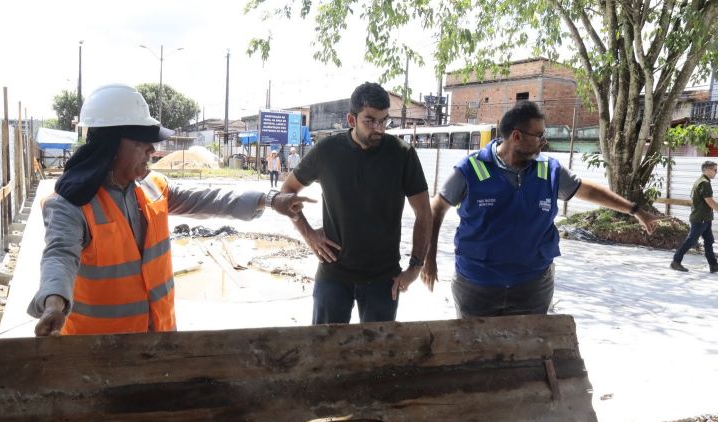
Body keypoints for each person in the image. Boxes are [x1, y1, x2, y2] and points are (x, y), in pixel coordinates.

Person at [29, 84, 312, 336]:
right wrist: (54, 302)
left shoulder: (153, 187)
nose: (153, 149)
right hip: (99, 352)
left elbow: (210, 198)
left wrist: (269, 198)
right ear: (112, 146)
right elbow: (59, 255)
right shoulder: (71, 203)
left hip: (159, 338)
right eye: (142, 142)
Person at [421, 100, 658, 318]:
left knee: (531, 353)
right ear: (516, 136)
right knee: (476, 353)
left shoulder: (549, 170)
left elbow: (586, 190)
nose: (543, 141)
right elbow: (436, 209)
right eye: (539, 135)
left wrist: (634, 209)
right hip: (477, 284)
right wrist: (428, 258)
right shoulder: (471, 169)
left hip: (532, 285)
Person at [281, 82, 431, 324]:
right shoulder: (326, 151)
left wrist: (415, 267)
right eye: (370, 121)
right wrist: (308, 233)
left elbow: (424, 212)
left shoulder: (402, 155)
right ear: (352, 120)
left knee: (377, 354)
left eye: (384, 121)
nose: (379, 129)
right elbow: (287, 190)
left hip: (384, 278)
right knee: (324, 349)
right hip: (333, 273)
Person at [671, 160, 718, 273]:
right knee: (691, 240)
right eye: (715, 170)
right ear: (707, 170)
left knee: (709, 240)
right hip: (700, 218)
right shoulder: (704, 183)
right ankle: (676, 261)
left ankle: (713, 265)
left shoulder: (701, 181)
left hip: (704, 218)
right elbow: (710, 201)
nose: (716, 172)